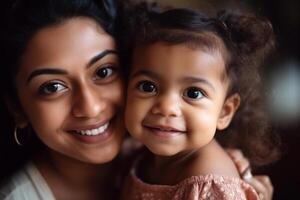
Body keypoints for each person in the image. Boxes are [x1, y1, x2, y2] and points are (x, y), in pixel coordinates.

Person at [0, 0, 275, 199]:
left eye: (104, 71)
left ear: (226, 111)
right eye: (52, 87)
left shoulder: (177, 166)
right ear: (17, 108)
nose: (90, 106)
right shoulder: (143, 160)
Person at [121, 2, 280, 199]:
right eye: (148, 87)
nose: (167, 108)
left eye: (193, 93)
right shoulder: (137, 154)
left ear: (225, 112)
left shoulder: (209, 185)